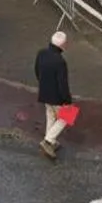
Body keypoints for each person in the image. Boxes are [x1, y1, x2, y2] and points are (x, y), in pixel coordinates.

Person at [34, 29, 73, 160]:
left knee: (50, 116)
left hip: (44, 92)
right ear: (62, 45)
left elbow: (36, 70)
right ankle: (48, 140)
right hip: (57, 97)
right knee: (66, 117)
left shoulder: (41, 53)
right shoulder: (60, 62)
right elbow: (63, 84)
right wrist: (67, 100)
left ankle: (49, 140)